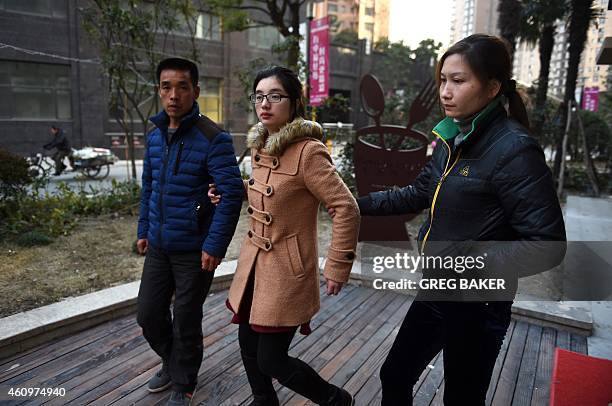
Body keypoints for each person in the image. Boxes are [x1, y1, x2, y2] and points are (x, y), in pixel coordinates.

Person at [354, 34, 566, 405]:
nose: (445, 91)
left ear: (492, 87)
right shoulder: (453, 137)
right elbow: (417, 193)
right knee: (395, 375)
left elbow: (547, 245)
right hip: (438, 290)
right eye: (443, 80)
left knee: (462, 397)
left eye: (458, 80)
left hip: (479, 304)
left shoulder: (514, 148)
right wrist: (352, 204)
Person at [210, 66, 360, 406]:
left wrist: (337, 265)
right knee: (247, 346)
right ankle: (265, 402)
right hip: (254, 265)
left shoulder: (309, 152)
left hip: (286, 271)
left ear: (294, 102)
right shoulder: (260, 144)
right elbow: (271, 195)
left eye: (275, 96)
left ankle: (336, 399)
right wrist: (232, 192)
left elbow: (345, 207)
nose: (265, 104)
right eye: (259, 96)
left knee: (272, 359)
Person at [136, 57, 244, 406]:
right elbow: (149, 186)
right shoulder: (154, 137)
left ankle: (183, 380)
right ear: (159, 91)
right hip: (159, 245)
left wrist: (214, 245)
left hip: (195, 248)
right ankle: (172, 361)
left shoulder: (214, 138)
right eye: (167, 87)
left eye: (182, 86)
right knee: (148, 314)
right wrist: (144, 230)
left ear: (195, 91)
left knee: (185, 317)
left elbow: (230, 197)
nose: (174, 94)